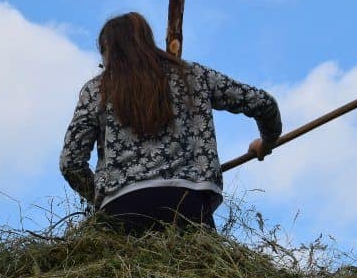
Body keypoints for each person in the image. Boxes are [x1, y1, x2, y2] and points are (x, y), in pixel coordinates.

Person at [60, 12, 282, 235]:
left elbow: (71, 162)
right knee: (195, 269)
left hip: (122, 208)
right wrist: (267, 141)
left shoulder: (96, 90)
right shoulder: (192, 75)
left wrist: (102, 194)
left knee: (131, 271)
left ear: (108, 50)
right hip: (187, 202)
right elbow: (263, 103)